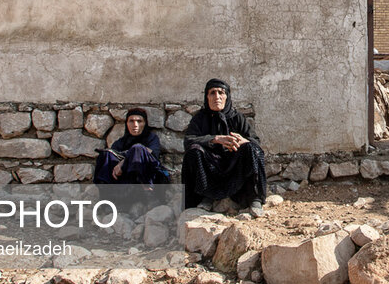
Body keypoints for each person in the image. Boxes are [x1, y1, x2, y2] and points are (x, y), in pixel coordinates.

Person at [182, 78, 267, 216]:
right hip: (211, 166)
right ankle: (206, 196)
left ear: (227, 96)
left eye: (221, 93)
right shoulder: (200, 118)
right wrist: (215, 139)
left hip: (234, 165)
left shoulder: (237, 117)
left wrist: (244, 141)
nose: (217, 97)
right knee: (194, 151)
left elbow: (255, 141)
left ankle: (254, 198)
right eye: (212, 93)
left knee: (252, 149)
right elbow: (189, 140)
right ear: (207, 97)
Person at [93, 107, 163, 184]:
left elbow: (151, 154)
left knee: (138, 148)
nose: (135, 125)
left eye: (139, 121)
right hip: (124, 179)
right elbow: (113, 157)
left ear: (145, 123)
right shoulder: (121, 142)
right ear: (127, 124)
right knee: (107, 155)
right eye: (131, 121)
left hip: (146, 176)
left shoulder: (151, 138)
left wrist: (123, 162)